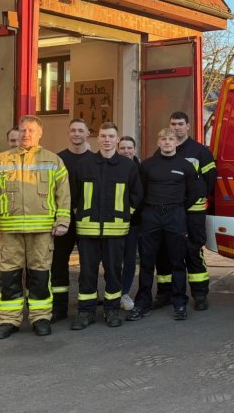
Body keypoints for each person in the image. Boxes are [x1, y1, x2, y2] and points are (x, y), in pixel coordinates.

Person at [0, 115, 71, 339]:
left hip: (41, 231)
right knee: (9, 276)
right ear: (17, 133)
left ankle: (40, 318)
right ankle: (9, 321)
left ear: (40, 134)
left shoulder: (52, 160)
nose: (26, 134)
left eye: (31, 130)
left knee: (40, 275)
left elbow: (64, 195)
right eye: (22, 130)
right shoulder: (0, 161)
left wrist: (62, 221)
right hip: (8, 231)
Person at [69, 123, 143, 330]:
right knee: (87, 273)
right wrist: (79, 215)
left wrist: (123, 217)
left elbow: (137, 196)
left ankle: (111, 310)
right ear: (97, 138)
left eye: (111, 136)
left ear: (117, 139)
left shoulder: (128, 166)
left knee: (113, 272)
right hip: (88, 230)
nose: (107, 139)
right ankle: (86, 312)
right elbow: (74, 196)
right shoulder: (84, 164)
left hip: (116, 231)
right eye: (103, 136)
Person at [127, 128, 202, 322]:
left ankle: (179, 303)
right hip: (151, 215)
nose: (167, 142)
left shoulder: (186, 166)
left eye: (171, 139)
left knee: (178, 262)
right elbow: (140, 192)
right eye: (163, 139)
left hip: (175, 215)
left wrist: (178, 209)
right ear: (158, 142)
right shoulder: (147, 165)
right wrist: (146, 212)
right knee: (146, 263)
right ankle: (142, 303)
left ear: (177, 142)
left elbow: (194, 193)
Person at [153, 112, 215, 311]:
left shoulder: (200, 151)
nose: (177, 127)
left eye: (180, 124)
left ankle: (199, 294)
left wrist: (195, 200)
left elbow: (210, 180)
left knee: (192, 251)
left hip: (192, 213)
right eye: (173, 124)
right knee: (164, 252)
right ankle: (165, 293)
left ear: (188, 126)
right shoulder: (163, 150)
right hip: (169, 213)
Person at [51, 118, 90, 321]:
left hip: (86, 220)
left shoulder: (94, 159)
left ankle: (86, 307)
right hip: (63, 219)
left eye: (80, 130)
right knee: (58, 264)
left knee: (88, 264)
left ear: (87, 134)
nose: (76, 134)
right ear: (69, 133)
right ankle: (59, 308)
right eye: (73, 130)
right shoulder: (57, 159)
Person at [0, 127, 21, 327]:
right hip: (4, 229)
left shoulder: (38, 164)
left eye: (19, 140)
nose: (16, 144)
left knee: (32, 273)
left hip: (31, 230)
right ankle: (1, 311)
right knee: (4, 273)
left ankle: (28, 311)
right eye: (12, 140)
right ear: (7, 141)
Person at [117, 136, 141, 311]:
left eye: (129, 148)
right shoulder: (113, 167)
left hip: (134, 222)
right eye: (123, 148)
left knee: (130, 259)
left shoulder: (142, 169)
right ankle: (113, 292)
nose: (126, 151)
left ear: (135, 149)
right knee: (113, 260)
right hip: (114, 222)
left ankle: (124, 293)